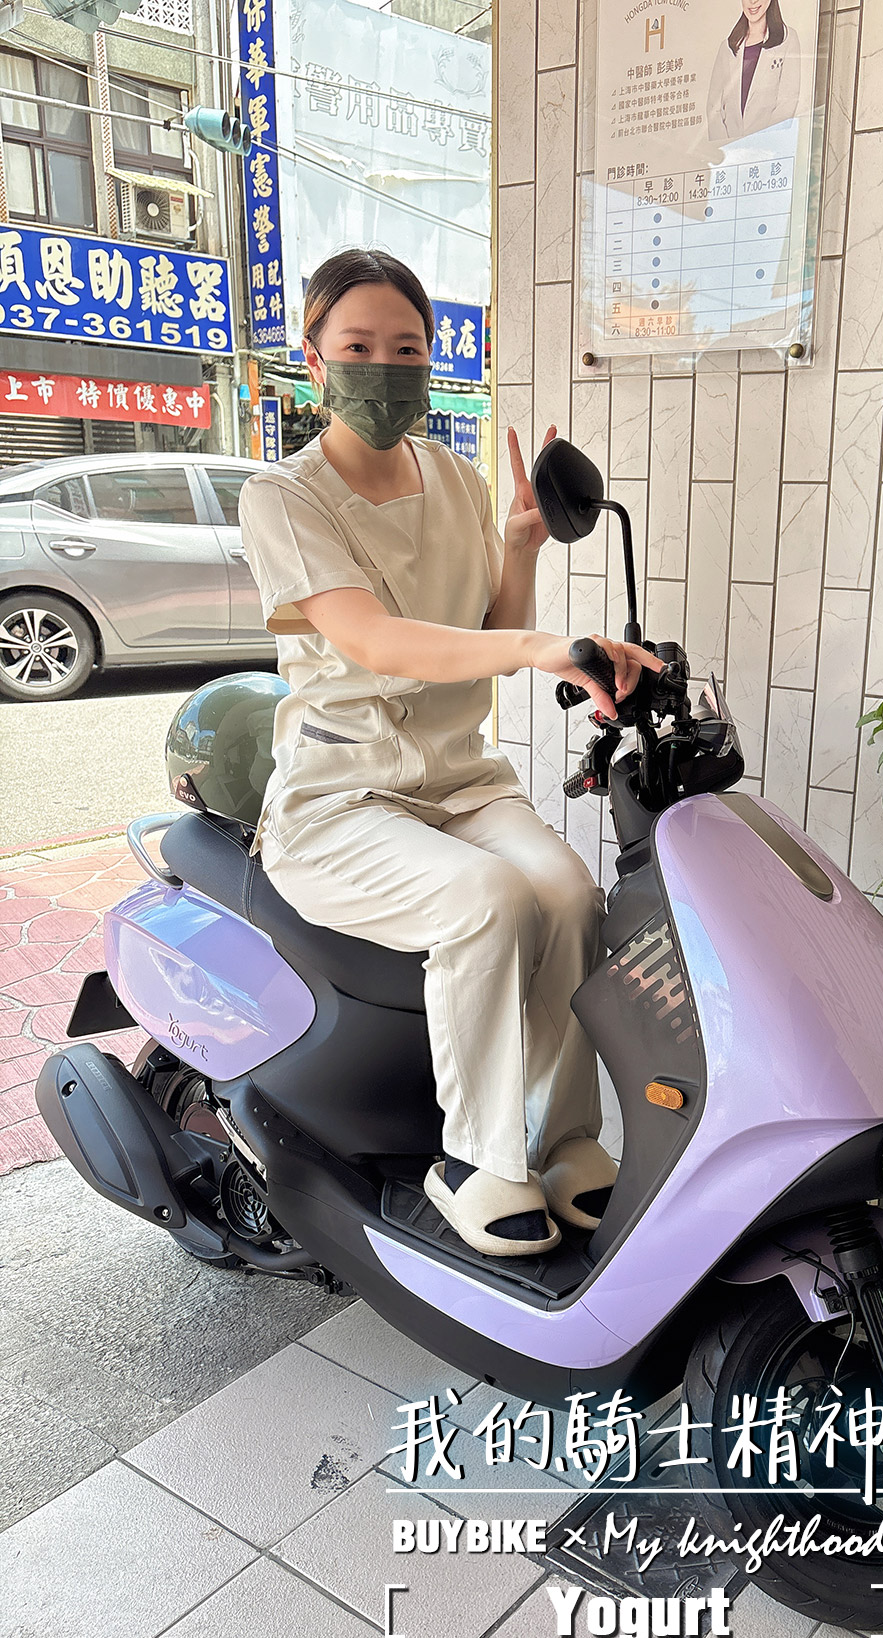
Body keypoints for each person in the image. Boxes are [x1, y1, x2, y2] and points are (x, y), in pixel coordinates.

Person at [238, 248, 662, 1259]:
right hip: (342, 796)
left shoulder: (455, 478)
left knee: (569, 893)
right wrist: (540, 644)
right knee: (486, 899)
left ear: (433, 359)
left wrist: (517, 548)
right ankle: (475, 1157)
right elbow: (377, 640)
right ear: (314, 359)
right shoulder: (283, 497)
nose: (383, 369)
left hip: (459, 779)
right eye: (358, 348)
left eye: (406, 349)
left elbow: (490, 633)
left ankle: (562, 1137)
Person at [706, 0, 802, 143]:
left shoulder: (787, 39)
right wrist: (724, 146)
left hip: (766, 146)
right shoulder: (727, 47)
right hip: (729, 149)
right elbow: (713, 106)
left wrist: (764, 144)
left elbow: (788, 102)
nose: (752, 2)